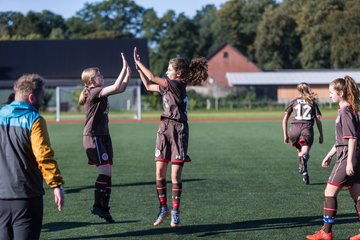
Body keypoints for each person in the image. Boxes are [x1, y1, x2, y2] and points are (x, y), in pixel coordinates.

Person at [133, 47, 208, 227]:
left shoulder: (176, 85)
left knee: (175, 175)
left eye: (169, 69)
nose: (166, 71)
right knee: (159, 171)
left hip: (178, 130)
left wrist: (138, 63)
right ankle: (163, 208)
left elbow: (151, 76)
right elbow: (149, 85)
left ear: (178, 73)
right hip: (164, 128)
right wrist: (139, 71)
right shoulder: (169, 86)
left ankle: (175, 211)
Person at [0, 74, 64, 240]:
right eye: (42, 97)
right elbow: (43, 155)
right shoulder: (35, 120)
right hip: (26, 197)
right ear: (31, 97)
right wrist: (56, 184)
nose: (42, 101)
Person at [79, 52, 131, 223]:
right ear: (92, 81)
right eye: (99, 75)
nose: (102, 76)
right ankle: (97, 205)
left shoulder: (98, 91)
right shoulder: (94, 92)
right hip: (93, 137)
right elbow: (116, 86)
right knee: (105, 171)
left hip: (103, 136)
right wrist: (123, 68)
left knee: (108, 174)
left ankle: (104, 208)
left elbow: (121, 88)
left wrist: (128, 74)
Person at [306, 76, 360, 240]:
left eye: (331, 92)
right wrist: (329, 155)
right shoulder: (349, 110)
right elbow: (342, 140)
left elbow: (352, 138)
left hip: (347, 156)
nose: (329, 95)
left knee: (329, 191)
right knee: (357, 195)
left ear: (341, 93)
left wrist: (349, 161)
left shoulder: (345, 111)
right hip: (352, 154)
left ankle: (326, 232)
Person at [282, 82, 323, 184]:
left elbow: (284, 119)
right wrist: (321, 134)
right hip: (306, 129)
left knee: (299, 151)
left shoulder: (293, 101)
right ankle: (303, 160)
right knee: (304, 153)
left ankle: (304, 173)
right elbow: (318, 120)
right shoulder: (312, 102)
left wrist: (285, 135)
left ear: (298, 90)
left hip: (293, 130)